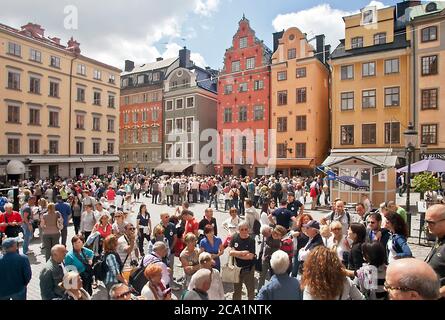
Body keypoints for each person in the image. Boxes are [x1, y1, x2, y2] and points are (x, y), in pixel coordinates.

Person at [229, 221, 256, 300]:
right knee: (237, 290)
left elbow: (250, 257)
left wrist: (236, 254)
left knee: (250, 289)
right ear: (238, 229)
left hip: (249, 269)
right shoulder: (234, 237)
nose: (244, 231)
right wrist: (242, 253)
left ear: (248, 230)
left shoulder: (251, 240)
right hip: (237, 268)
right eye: (242, 229)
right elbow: (231, 252)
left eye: (246, 229)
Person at [424, 204, 445, 298]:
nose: (427, 225)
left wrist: (437, 295)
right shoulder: (439, 237)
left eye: (431, 222)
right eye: (426, 222)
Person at [257, 225, 287, 290]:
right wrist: (260, 256)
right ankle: (259, 290)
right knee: (262, 276)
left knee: (273, 277)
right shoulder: (267, 235)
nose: (266, 236)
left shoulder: (282, 240)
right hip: (265, 259)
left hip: (275, 261)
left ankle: (273, 290)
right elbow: (263, 246)